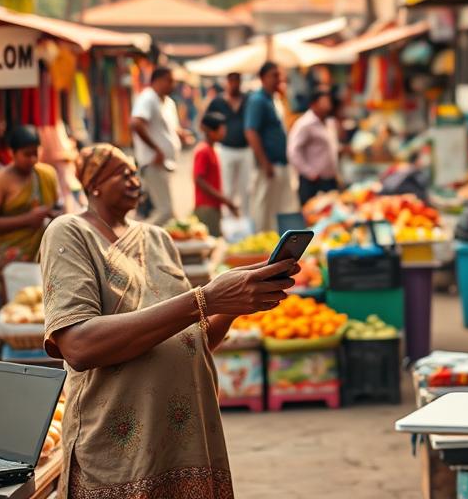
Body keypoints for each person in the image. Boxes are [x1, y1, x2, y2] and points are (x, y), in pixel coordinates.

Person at [40, 144, 297, 498]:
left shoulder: (158, 239)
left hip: (184, 444)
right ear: (94, 183)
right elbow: (78, 346)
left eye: (135, 173)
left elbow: (194, 339)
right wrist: (206, 299)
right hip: (120, 450)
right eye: (122, 174)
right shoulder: (70, 231)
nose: (135, 181)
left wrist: (234, 303)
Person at [0, 125, 62, 296]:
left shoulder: (47, 175)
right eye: (27, 154)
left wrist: (53, 215)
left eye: (35, 153)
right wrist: (27, 219)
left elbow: (56, 207)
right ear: (12, 153)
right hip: (11, 253)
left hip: (42, 250)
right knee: (16, 300)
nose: (32, 159)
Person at [245, 61, 296, 232]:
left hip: (280, 163)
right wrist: (264, 162)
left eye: (279, 75)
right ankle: (262, 240)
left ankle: (274, 240)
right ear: (263, 78)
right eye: (274, 76)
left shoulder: (274, 99)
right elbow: (251, 132)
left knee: (278, 208)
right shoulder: (258, 100)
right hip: (268, 164)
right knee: (264, 208)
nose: (278, 79)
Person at [131, 67, 184, 227]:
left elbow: (168, 129)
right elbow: (136, 123)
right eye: (169, 81)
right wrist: (156, 149)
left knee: (164, 210)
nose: (172, 85)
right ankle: (137, 236)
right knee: (165, 211)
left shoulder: (168, 102)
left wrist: (180, 135)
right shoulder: (148, 98)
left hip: (166, 164)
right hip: (153, 163)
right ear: (158, 80)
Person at [206, 73, 253, 215]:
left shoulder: (247, 99)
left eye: (236, 80)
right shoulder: (218, 101)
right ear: (227, 82)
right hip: (226, 149)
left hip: (245, 149)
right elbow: (206, 122)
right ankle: (227, 217)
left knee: (246, 188)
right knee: (227, 187)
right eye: (231, 81)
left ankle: (245, 217)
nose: (234, 84)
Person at [287, 88, 340, 206]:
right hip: (313, 181)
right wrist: (309, 172)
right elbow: (293, 151)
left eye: (328, 102)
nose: (327, 106)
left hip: (329, 178)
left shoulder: (329, 122)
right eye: (324, 102)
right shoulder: (305, 124)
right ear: (314, 104)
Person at [193, 112, 239, 237]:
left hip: (214, 206)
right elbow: (199, 179)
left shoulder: (212, 149)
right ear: (211, 132)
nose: (224, 132)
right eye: (221, 129)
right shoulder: (203, 151)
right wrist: (225, 200)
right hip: (206, 207)